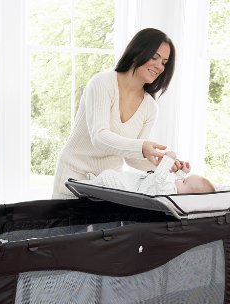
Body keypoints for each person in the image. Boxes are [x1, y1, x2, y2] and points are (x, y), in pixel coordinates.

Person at [52, 27, 188, 199]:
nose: (159, 66)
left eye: (164, 62)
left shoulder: (150, 107)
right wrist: (141, 147)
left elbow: (132, 157)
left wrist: (162, 162)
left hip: (108, 185)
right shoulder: (102, 83)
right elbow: (99, 137)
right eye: (155, 57)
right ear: (137, 52)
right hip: (73, 179)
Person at [85, 151, 215, 195]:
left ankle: (91, 185)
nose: (181, 179)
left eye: (184, 180)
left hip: (133, 189)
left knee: (109, 176)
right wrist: (183, 172)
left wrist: (168, 159)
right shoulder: (174, 188)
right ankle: (95, 182)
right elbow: (175, 180)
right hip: (138, 182)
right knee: (118, 175)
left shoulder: (169, 192)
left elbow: (160, 177)